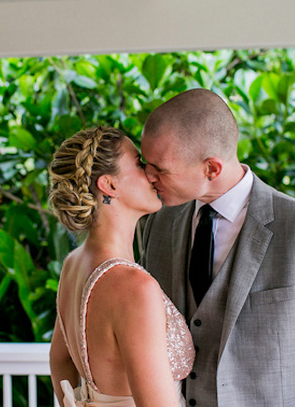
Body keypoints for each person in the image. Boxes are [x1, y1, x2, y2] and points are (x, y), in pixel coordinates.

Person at [140, 88, 295, 406]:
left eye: (160, 169)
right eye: (146, 163)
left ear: (212, 168)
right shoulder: (158, 224)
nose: (147, 176)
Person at [48, 126, 195, 407]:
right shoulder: (133, 287)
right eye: (140, 164)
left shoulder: (74, 264)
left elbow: (60, 361)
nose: (153, 174)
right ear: (110, 185)